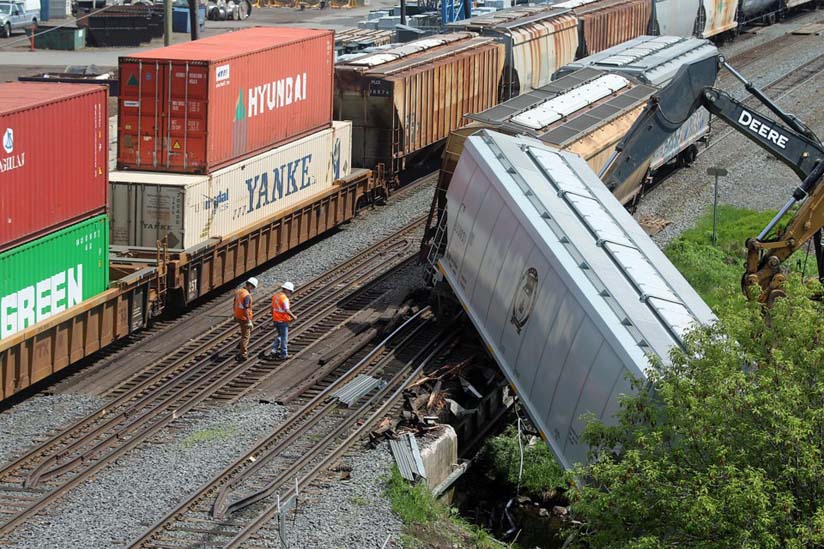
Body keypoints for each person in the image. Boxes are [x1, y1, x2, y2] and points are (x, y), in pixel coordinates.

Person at [267, 281, 297, 360]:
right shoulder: (284, 299)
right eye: (290, 291)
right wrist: (293, 316)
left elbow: (272, 309)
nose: (290, 293)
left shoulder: (275, 296)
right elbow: (287, 310)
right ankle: (284, 355)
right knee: (284, 338)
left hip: (276, 320)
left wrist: (273, 316)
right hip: (283, 321)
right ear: (286, 290)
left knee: (280, 336)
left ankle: (273, 350)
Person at [233, 277, 258, 361]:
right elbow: (246, 308)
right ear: (250, 285)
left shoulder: (238, 291)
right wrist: (249, 321)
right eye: (253, 287)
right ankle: (243, 354)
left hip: (238, 315)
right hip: (244, 317)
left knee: (245, 332)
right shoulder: (246, 295)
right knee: (246, 336)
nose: (253, 289)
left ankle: (240, 345)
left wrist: (235, 314)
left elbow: (234, 303)